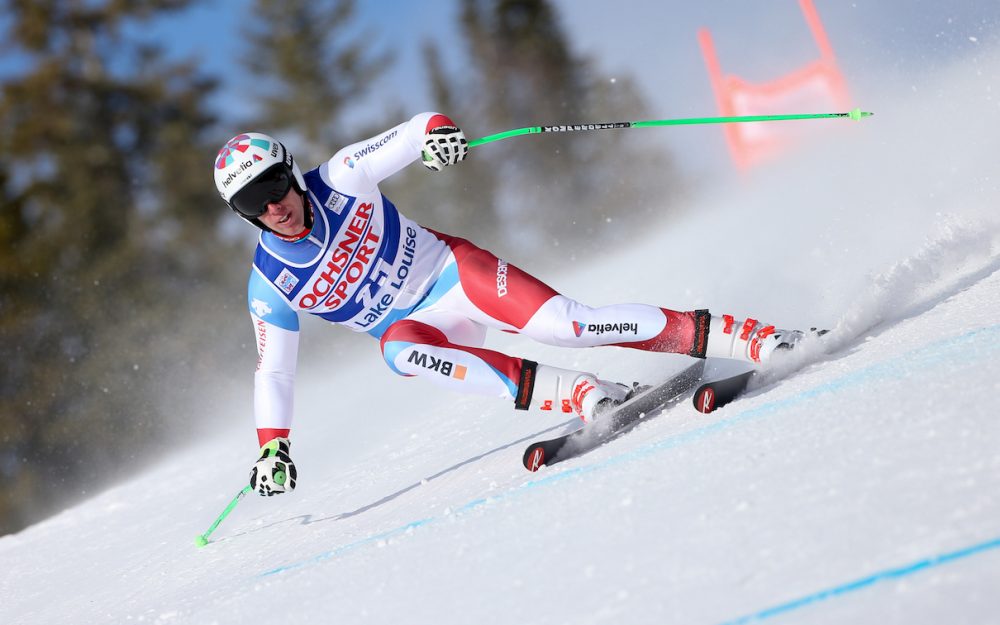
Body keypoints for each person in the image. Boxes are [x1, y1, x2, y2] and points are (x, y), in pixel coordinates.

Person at [213, 112, 810, 496]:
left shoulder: (342, 177)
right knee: (399, 353)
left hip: (453, 274)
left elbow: (417, 129)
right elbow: (275, 369)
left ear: (290, 171)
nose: (272, 208)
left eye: (272, 186)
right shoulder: (270, 284)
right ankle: (582, 394)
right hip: (420, 326)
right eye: (251, 204)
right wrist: (272, 444)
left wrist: (437, 138)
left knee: (569, 326)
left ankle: (748, 337)